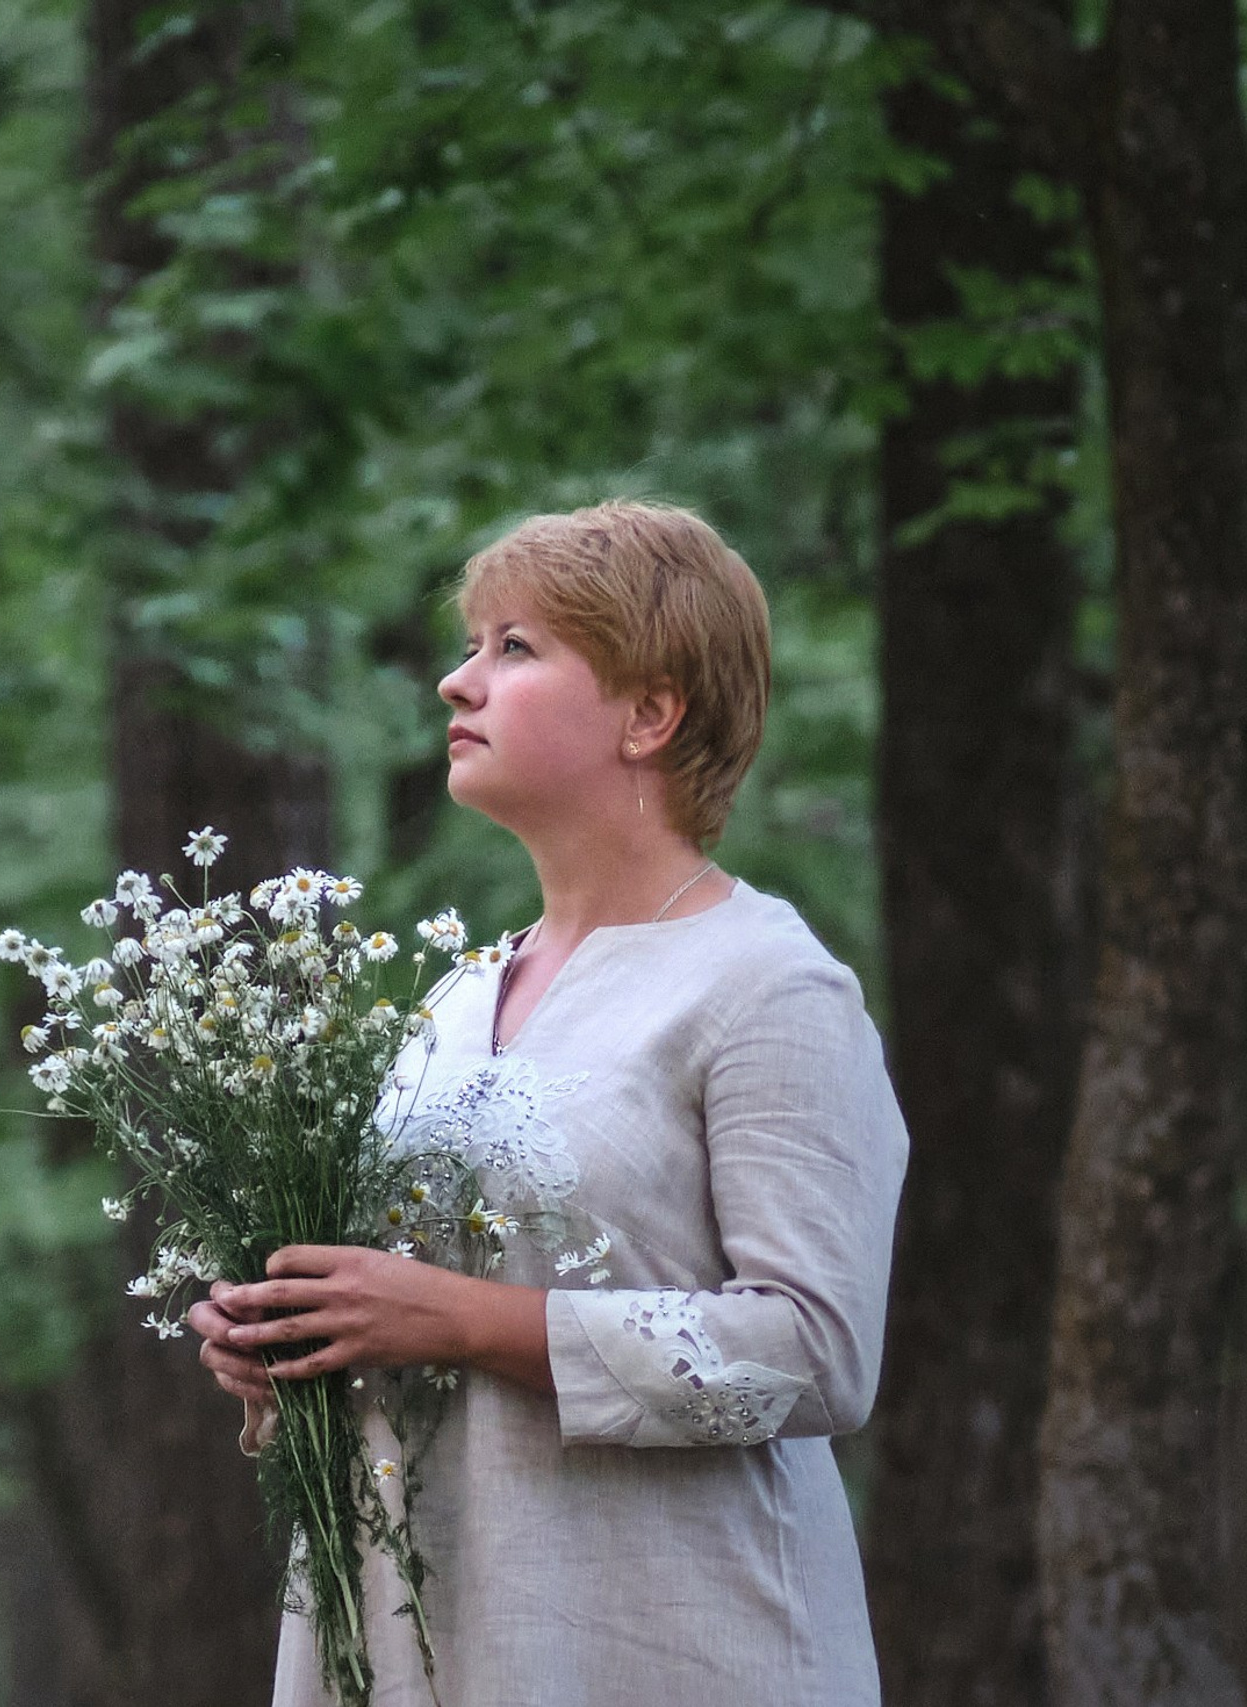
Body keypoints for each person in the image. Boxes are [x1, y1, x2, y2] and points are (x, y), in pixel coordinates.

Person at [189, 500, 908, 1707]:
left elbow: (815, 1356)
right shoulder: (456, 1001)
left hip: (672, 1651)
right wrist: (292, 1345)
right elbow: (407, 1328)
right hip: (431, 1645)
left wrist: (463, 1319)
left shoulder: (769, 989)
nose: (454, 683)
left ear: (649, 712)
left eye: (511, 649)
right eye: (471, 646)